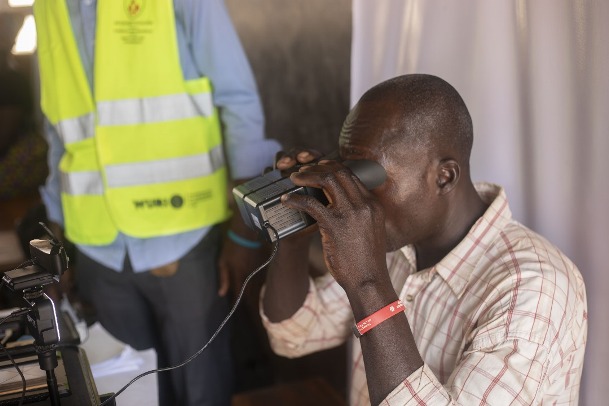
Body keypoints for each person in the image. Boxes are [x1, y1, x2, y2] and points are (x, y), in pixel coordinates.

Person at [260, 74, 587, 405]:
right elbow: (294, 334)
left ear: (444, 176)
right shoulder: (396, 242)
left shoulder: (534, 289)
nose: (356, 199)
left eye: (367, 176)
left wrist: (368, 282)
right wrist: (294, 228)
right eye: (348, 173)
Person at [34, 1, 280, 405]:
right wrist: (55, 239)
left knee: (201, 391)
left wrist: (244, 227)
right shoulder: (47, 8)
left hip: (183, 237)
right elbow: (57, 130)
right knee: (126, 391)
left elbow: (238, 100)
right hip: (96, 247)